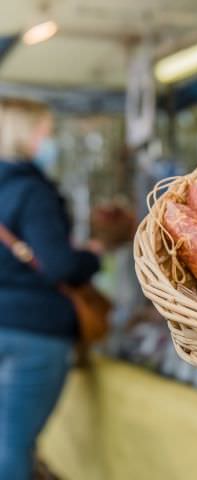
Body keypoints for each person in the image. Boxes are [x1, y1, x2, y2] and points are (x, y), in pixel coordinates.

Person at [0, 98, 100, 479]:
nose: (50, 139)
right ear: (25, 135)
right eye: (46, 131)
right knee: (13, 446)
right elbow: (58, 265)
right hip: (33, 332)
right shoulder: (32, 191)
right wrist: (91, 258)